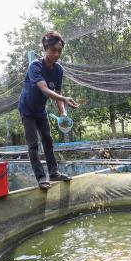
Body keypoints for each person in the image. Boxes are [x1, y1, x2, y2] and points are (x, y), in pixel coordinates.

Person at [18, 31, 79, 189]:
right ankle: (40, 177)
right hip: (27, 109)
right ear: (45, 49)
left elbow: (57, 92)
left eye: (59, 50)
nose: (56, 54)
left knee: (48, 140)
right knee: (33, 143)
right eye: (53, 50)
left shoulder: (58, 70)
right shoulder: (35, 66)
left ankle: (54, 173)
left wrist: (63, 113)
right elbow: (45, 90)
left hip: (40, 110)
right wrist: (64, 99)